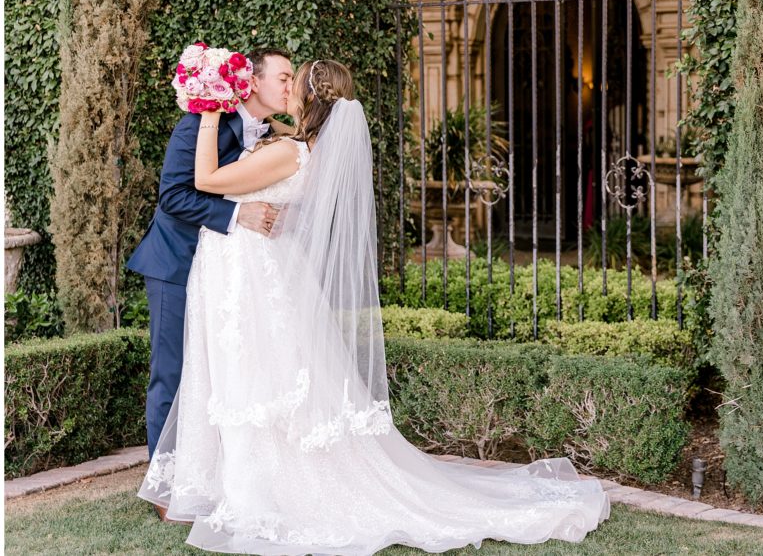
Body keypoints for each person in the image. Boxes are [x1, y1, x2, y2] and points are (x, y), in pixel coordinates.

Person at [138, 59, 609, 555]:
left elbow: (208, 180)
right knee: (230, 376)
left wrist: (210, 113)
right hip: (242, 273)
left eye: (293, 82)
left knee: (250, 379)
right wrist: (217, 114)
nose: (288, 85)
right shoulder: (299, 144)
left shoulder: (289, 150)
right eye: (284, 76)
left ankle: (251, 487)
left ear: (310, 100)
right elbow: (187, 193)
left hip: (250, 275)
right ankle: (205, 481)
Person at [127, 48, 294, 477]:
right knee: (173, 373)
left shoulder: (276, 133)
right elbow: (173, 196)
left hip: (227, 271)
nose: (291, 86)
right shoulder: (199, 124)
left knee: (221, 369)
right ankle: (165, 479)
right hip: (175, 264)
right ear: (253, 82)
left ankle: (214, 470)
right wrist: (240, 215)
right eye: (284, 77)